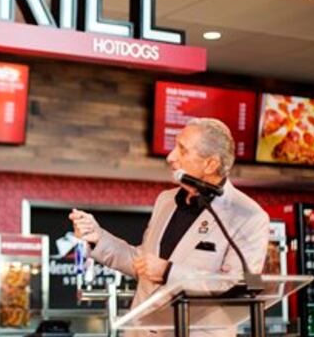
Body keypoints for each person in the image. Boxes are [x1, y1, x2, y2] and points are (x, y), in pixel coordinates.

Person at [69, 117, 269, 336]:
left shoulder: (249, 216)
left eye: (182, 150)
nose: (170, 157)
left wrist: (168, 272)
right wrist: (97, 237)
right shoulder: (166, 200)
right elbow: (144, 263)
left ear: (210, 164)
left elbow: (234, 288)